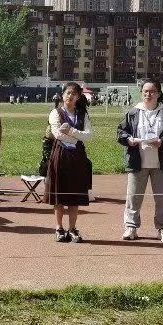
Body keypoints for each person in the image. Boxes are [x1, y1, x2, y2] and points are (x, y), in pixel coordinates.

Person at [118, 81, 163, 243]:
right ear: (141, 93)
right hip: (137, 162)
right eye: (145, 91)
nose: (148, 94)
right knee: (133, 196)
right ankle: (131, 227)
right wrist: (129, 140)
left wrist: (162, 141)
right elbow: (121, 132)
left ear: (159, 93)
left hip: (161, 163)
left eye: (152, 91)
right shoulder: (133, 112)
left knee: (162, 198)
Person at [45, 81, 93, 243]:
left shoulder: (82, 114)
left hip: (78, 157)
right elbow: (57, 134)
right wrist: (77, 137)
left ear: (78, 97)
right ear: (63, 94)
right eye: (68, 93)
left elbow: (89, 135)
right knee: (59, 193)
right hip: (61, 154)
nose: (70, 96)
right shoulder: (56, 112)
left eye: (74, 94)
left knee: (75, 194)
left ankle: (72, 228)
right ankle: (59, 228)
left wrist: (71, 131)